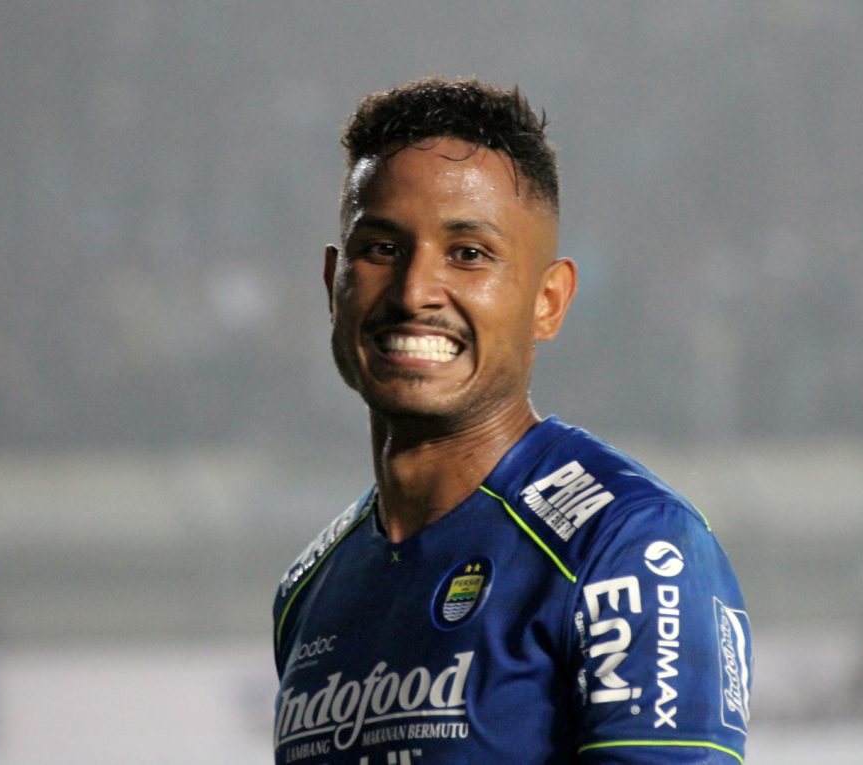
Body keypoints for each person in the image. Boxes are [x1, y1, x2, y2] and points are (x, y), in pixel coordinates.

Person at [272, 78, 752, 764]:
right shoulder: (309, 589)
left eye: (468, 253)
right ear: (333, 283)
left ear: (548, 301)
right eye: (381, 248)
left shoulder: (629, 545)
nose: (414, 292)